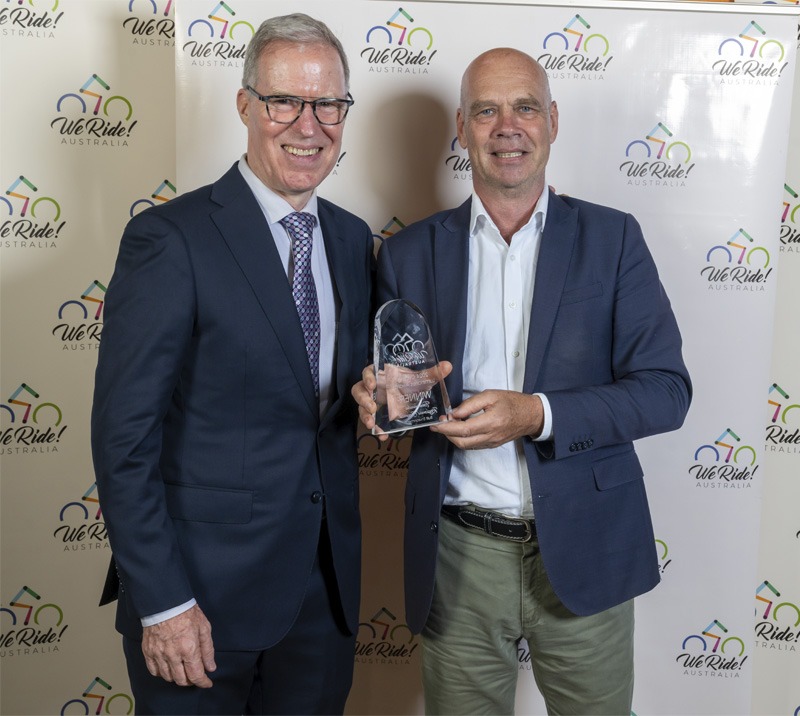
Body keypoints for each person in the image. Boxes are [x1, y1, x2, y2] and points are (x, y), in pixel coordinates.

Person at [353, 47, 691, 715]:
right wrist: (383, 399)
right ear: (461, 127)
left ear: (553, 121)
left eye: (525, 107)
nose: (507, 126)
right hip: (458, 558)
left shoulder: (613, 239)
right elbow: (403, 393)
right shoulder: (408, 253)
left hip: (586, 547)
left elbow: (665, 390)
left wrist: (536, 413)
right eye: (486, 111)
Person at [91, 13, 373, 715]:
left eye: (329, 104)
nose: (309, 126)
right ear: (246, 104)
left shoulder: (349, 239)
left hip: (321, 603)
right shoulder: (169, 240)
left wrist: (391, 398)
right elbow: (123, 441)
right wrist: (162, 602)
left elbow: (336, 401)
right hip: (199, 605)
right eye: (285, 101)